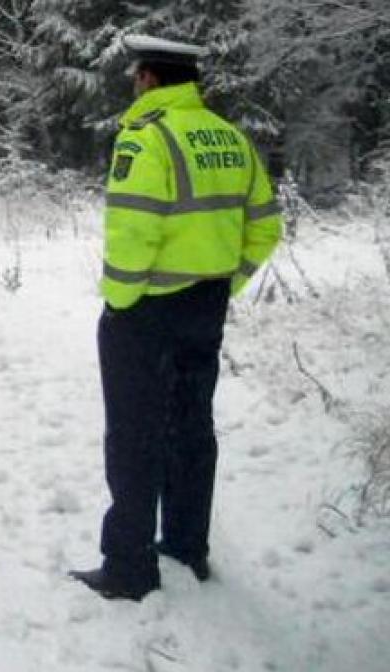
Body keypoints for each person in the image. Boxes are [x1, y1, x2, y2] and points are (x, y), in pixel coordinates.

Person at [69, 35, 283, 601]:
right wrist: (224, 281)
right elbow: (266, 226)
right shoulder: (232, 138)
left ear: (147, 79)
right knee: (191, 427)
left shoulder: (147, 138)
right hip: (205, 307)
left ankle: (129, 568)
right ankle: (188, 545)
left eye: (135, 75)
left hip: (147, 312)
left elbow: (134, 231)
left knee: (135, 435)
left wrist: (120, 299)